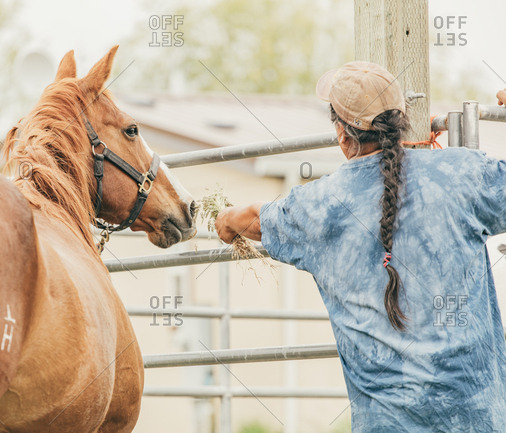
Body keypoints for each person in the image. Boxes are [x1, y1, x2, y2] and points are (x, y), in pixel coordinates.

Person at [215, 62, 506, 432]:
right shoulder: (463, 173)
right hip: (478, 420)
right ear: (402, 120)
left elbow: (251, 218)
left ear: (341, 134)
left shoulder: (317, 206)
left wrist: (225, 219)